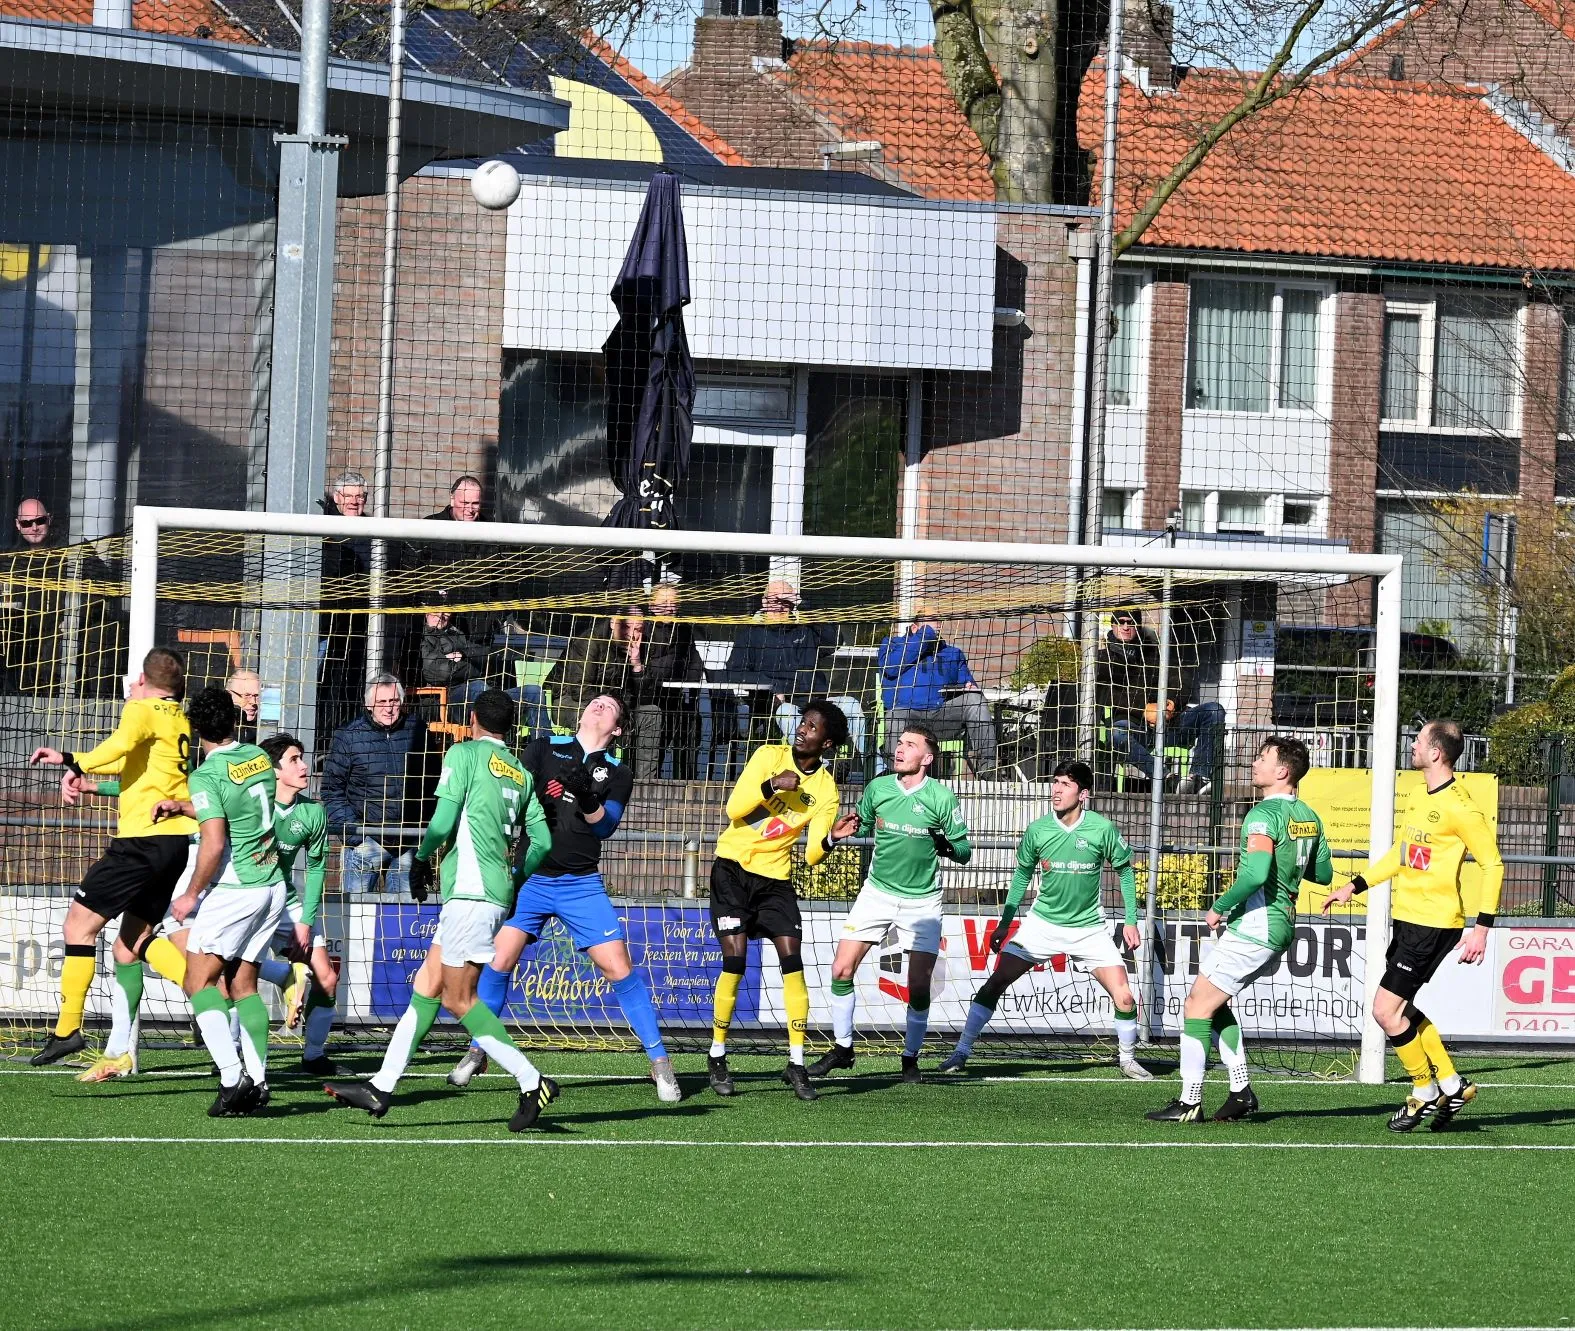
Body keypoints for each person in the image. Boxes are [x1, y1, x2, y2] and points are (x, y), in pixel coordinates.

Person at [325, 689, 559, 1131]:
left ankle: (532, 1080)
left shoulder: (464, 754)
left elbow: (442, 823)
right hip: (489, 892)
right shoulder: (520, 773)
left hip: (469, 893)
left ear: (472, 720)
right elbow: (543, 842)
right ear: (509, 727)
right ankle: (381, 1086)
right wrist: (514, 877)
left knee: (458, 998)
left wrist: (419, 859)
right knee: (428, 984)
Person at [446, 694, 681, 1103]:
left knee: (619, 969)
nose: (598, 706)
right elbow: (512, 794)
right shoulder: (543, 747)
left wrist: (586, 795)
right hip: (530, 879)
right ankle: (478, 1050)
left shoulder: (618, 772)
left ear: (618, 728)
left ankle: (660, 1063)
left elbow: (605, 827)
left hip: (580, 884)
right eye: (595, 702)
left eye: (608, 706)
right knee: (498, 962)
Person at [1322, 719, 1503, 1131]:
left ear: (1436, 752)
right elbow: (1402, 854)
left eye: (1419, 740)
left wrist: (1482, 927)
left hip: (1433, 924)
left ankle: (1424, 1089)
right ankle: (1453, 1085)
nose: (1413, 745)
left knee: (1385, 1011)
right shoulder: (1421, 794)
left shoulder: (1461, 806)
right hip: (1409, 919)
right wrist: (1355, 885)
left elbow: (1493, 864)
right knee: (1401, 1009)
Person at [1147, 736, 1331, 1123]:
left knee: (1196, 1005)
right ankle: (1241, 1091)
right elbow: (1323, 872)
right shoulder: (1309, 816)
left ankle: (1189, 1101)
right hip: (1281, 922)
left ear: (1282, 771)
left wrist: (1219, 906)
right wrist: (1289, 864)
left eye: (1263, 758)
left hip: (1257, 923)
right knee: (1214, 1004)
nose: (1254, 763)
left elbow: (1256, 874)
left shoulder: (1262, 815)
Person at [26, 647, 195, 1069]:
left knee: (77, 927)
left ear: (144, 679)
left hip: (141, 841)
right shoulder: (179, 716)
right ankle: (213, 997)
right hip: (175, 842)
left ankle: (67, 1030)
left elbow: (119, 744)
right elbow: (130, 761)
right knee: (131, 944)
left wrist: (69, 758)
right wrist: (85, 776)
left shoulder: (142, 709)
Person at [938, 759, 1151, 1081]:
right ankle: (961, 1052)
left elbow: (1124, 870)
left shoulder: (1102, 829)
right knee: (995, 982)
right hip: (1042, 926)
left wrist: (1131, 920)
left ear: (1083, 794)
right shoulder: (1038, 830)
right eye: (1055, 782)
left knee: (1124, 997)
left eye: (1065, 784)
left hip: (1089, 930)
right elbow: (1021, 876)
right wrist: (1004, 923)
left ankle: (1128, 1060)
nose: (1056, 790)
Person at [809, 725, 971, 1083]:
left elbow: (964, 851)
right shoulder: (878, 788)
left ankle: (910, 1057)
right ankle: (843, 1048)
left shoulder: (941, 798)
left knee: (919, 986)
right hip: (877, 894)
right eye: (899, 743)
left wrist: (946, 846)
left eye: (910, 745)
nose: (899, 749)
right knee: (840, 969)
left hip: (922, 903)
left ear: (927, 758)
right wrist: (843, 831)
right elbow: (863, 823)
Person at [707, 700, 848, 1102]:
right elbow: (734, 809)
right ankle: (717, 1054)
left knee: (793, 962)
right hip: (732, 870)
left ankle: (796, 1063)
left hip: (775, 881)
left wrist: (833, 838)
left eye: (813, 727)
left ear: (827, 743)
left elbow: (813, 854)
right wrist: (772, 785)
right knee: (735, 962)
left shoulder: (826, 789)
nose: (802, 729)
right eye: (803, 722)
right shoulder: (769, 756)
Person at [164, 687, 287, 1116]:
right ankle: (259, 1080)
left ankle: (233, 1079)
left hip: (238, 887)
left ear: (196, 727)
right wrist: (185, 807)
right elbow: (240, 808)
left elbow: (214, 842)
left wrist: (190, 895)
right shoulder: (259, 758)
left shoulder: (206, 774)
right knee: (243, 986)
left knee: (197, 982)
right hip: (273, 883)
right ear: (234, 721)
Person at [261, 733, 343, 1076]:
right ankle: (233, 1062)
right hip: (246, 898)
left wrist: (306, 922)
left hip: (286, 901)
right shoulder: (252, 805)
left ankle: (313, 1056)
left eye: (302, 758)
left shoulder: (312, 812)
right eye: (294, 759)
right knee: (230, 974)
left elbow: (317, 868)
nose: (304, 766)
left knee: (326, 977)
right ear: (274, 770)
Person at [727, 580, 868, 771]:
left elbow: (834, 640)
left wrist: (803, 604)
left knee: (851, 704)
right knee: (787, 712)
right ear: (764, 602)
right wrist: (772, 687)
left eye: (786, 601)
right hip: (776, 705)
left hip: (815, 703)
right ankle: (823, 765)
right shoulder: (750, 634)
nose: (780, 606)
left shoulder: (806, 629)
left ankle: (875, 768)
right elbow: (734, 672)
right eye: (775, 600)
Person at [322, 673, 431, 894]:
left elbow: (431, 781)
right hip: (367, 841)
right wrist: (354, 836)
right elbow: (332, 790)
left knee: (404, 913)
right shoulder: (348, 736)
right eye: (381, 702)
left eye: (394, 701)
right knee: (356, 911)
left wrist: (423, 830)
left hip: (408, 841)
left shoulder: (418, 730)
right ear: (369, 705)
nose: (388, 708)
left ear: (402, 702)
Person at [1096, 608, 1224, 794]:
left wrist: (1171, 703)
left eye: (1131, 622)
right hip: (1134, 727)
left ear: (1138, 626)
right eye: (1121, 622)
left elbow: (1182, 679)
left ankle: (1199, 778)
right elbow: (1109, 694)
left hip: (1169, 725)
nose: (1125, 626)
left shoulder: (1154, 653)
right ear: (1113, 625)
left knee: (1213, 710)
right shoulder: (1102, 658)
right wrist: (1144, 709)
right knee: (1117, 734)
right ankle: (1167, 779)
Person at [876, 610, 996, 776]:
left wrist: (969, 686)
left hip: (943, 717)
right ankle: (895, 775)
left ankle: (988, 770)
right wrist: (925, 636)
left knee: (976, 701)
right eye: (930, 628)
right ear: (914, 628)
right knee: (894, 717)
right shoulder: (893, 645)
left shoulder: (952, 653)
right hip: (907, 717)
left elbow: (967, 682)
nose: (936, 630)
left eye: (937, 628)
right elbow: (891, 667)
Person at [625, 581, 706, 779]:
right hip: (644, 697)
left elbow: (694, 663)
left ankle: (686, 780)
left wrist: (690, 688)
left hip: (673, 698)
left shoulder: (684, 630)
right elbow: (639, 666)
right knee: (647, 741)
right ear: (652, 606)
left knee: (690, 723)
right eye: (663, 603)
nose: (669, 608)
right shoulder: (643, 628)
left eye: (673, 603)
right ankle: (639, 780)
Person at [317, 470, 371, 742]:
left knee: (351, 690)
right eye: (348, 496)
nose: (354, 502)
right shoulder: (323, 529)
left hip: (359, 629)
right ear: (337, 497)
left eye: (359, 497)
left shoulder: (373, 533)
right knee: (320, 685)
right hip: (325, 626)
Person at [1, 497, 66, 692]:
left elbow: (103, 582)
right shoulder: (10, 560)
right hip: (18, 638)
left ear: (49, 519)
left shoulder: (68, 554)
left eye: (40, 521)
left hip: (57, 636)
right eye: (27, 523)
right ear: (17, 525)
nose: (34, 527)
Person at [226, 670, 262, 745]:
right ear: (229, 695)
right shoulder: (215, 728)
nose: (253, 702)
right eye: (247, 695)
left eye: (257, 696)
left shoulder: (264, 731)